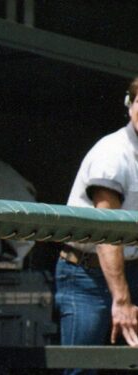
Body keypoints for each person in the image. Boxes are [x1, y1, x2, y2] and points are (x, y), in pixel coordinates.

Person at [55, 77, 138, 375]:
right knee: (81, 369)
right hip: (86, 276)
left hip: (131, 270)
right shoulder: (113, 153)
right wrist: (122, 299)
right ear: (130, 105)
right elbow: (107, 233)